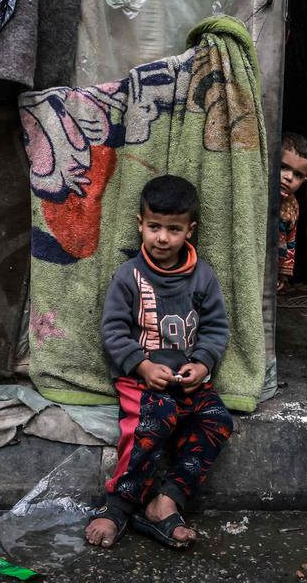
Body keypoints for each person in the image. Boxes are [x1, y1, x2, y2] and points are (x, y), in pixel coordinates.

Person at [85, 175, 234, 550]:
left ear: (190, 230)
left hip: (189, 381)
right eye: (154, 227)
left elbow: (216, 328)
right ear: (140, 224)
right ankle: (118, 505)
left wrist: (201, 364)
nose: (162, 238)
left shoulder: (202, 277)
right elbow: (114, 331)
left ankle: (166, 501)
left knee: (217, 420)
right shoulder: (129, 276)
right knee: (156, 418)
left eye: (173, 229)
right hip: (142, 381)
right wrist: (141, 365)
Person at [278, 132, 307, 292]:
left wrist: (283, 273)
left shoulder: (292, 205)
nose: (288, 177)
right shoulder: (259, 193)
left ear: (304, 180)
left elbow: (291, 241)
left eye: (298, 175)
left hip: (273, 265)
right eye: (283, 167)